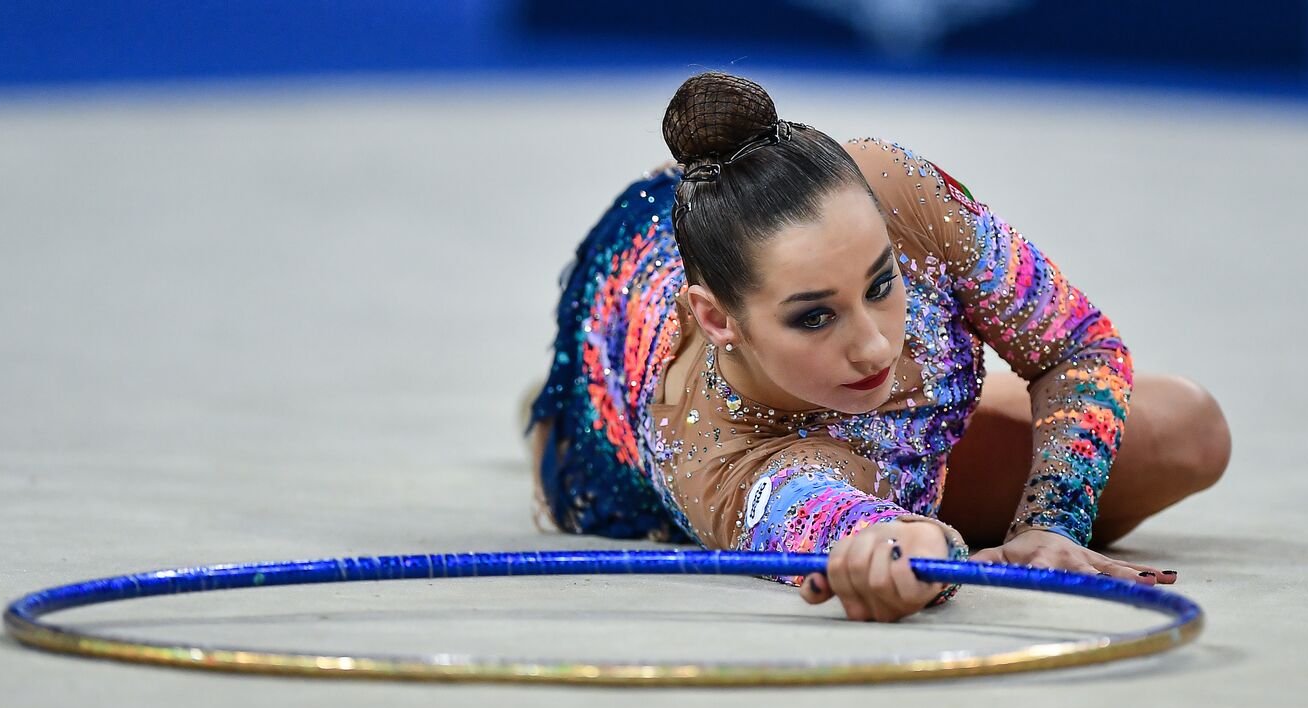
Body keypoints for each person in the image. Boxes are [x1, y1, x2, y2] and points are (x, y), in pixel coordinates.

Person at [524, 71, 1230, 623]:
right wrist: (909, 546)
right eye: (815, 317)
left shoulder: (892, 189)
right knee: (561, 443)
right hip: (620, 371)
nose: (872, 346)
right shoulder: (710, 453)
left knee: (1190, 430)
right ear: (715, 322)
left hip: (750, 261)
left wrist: (1051, 523)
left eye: (882, 283)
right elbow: (824, 516)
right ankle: (539, 412)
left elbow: (1076, 345)